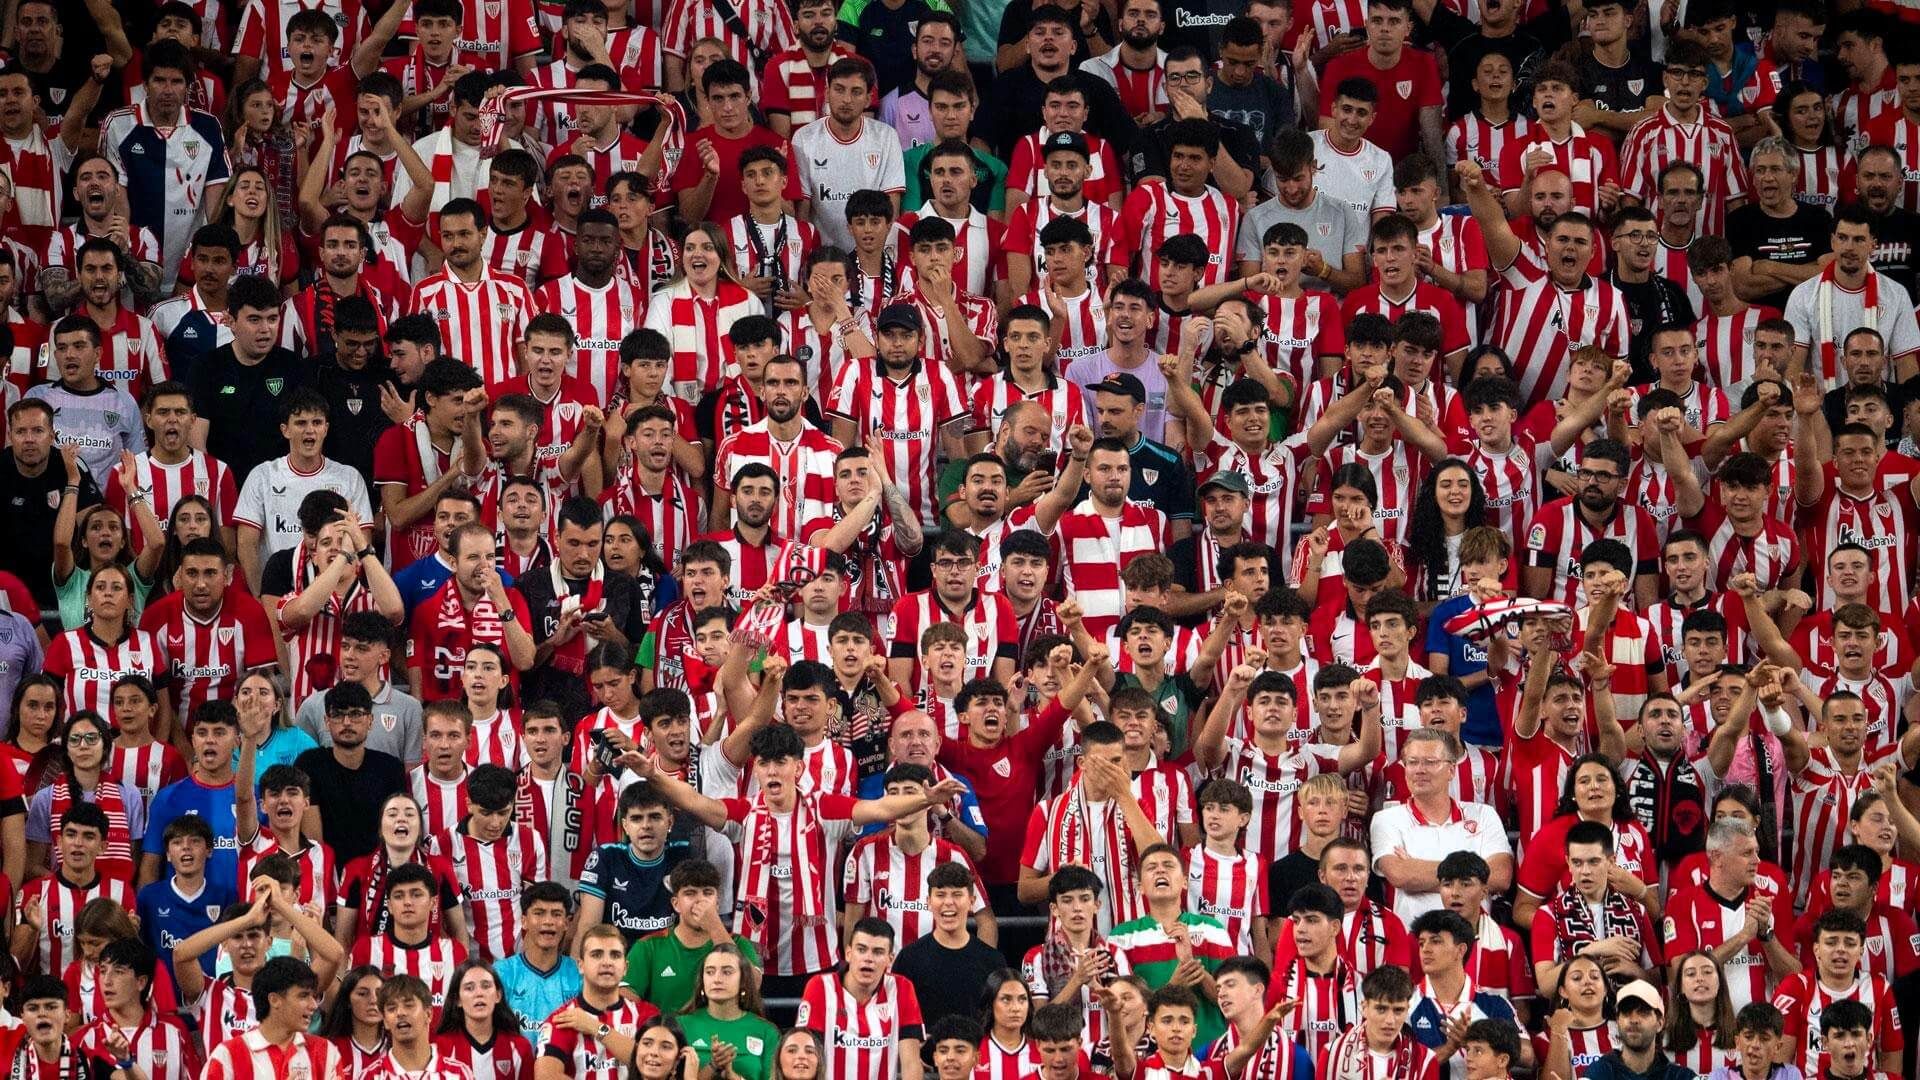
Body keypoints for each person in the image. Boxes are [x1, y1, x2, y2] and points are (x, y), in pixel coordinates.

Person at [1583, 980, 1698, 1080]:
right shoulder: (1598, 1074)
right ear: (1617, 1021)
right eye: (1626, 1012)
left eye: (1643, 1012)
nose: (1634, 1020)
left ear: (1660, 1023)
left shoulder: (1681, 1076)